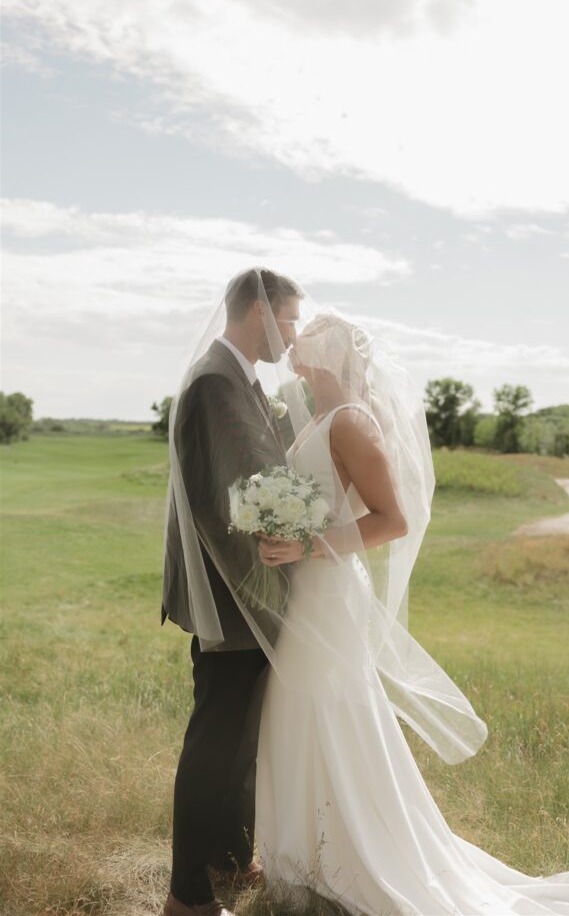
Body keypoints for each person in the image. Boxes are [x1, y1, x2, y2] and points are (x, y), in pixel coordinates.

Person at [251, 311, 569, 916]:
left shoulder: (348, 421)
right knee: (297, 709)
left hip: (329, 592)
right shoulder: (314, 415)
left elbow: (390, 520)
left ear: (332, 350)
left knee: (329, 708)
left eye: (311, 329)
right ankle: (301, 857)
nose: (296, 336)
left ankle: (350, 856)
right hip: (305, 594)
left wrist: (307, 544)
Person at [160, 267, 303, 916]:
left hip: (248, 592)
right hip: (233, 596)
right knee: (216, 743)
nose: (293, 334)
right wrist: (288, 553)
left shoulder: (237, 377)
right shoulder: (217, 381)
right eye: (289, 319)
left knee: (241, 738)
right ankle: (186, 895)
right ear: (258, 313)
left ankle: (228, 857)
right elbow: (230, 497)